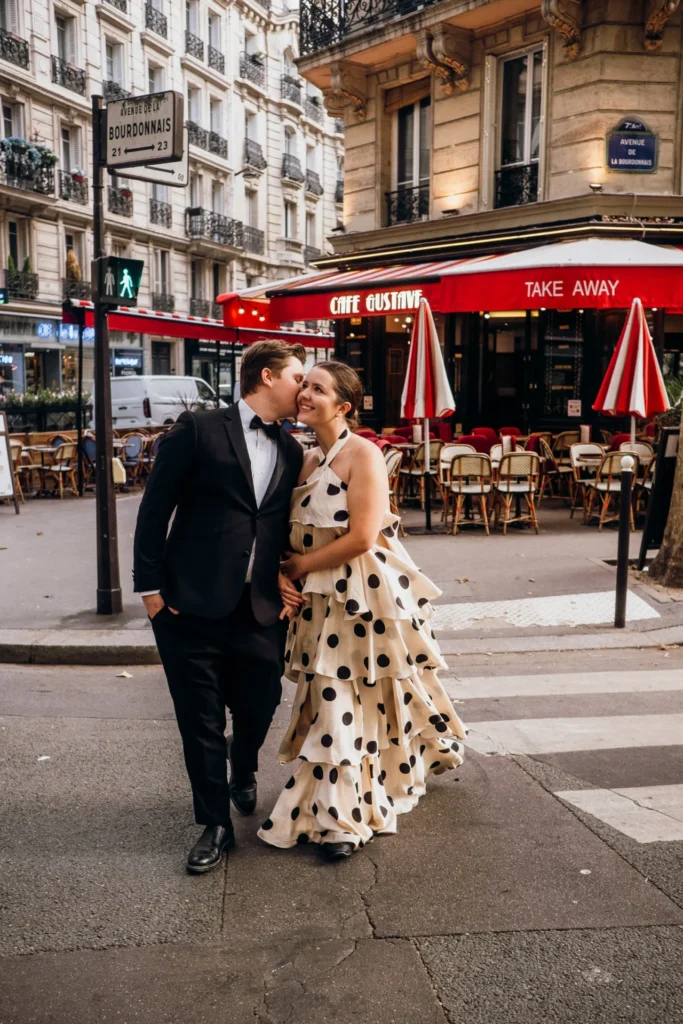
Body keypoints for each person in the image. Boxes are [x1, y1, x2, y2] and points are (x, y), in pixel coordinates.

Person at [259, 362, 467, 861]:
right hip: (317, 601)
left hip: (363, 594)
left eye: (317, 389)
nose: (305, 393)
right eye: (304, 384)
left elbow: (361, 537)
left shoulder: (364, 454)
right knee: (335, 696)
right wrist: (283, 574)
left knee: (359, 695)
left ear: (343, 406)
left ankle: (343, 821)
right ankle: (349, 802)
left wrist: (299, 567)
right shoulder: (307, 459)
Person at [133, 340, 306, 874]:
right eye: (299, 376)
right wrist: (151, 591)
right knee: (199, 719)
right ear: (269, 376)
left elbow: (276, 526)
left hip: (259, 606)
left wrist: (282, 572)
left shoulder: (293, 450)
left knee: (259, 704)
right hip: (188, 604)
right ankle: (214, 825)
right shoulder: (200, 429)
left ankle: (244, 760)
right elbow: (154, 507)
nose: (305, 387)